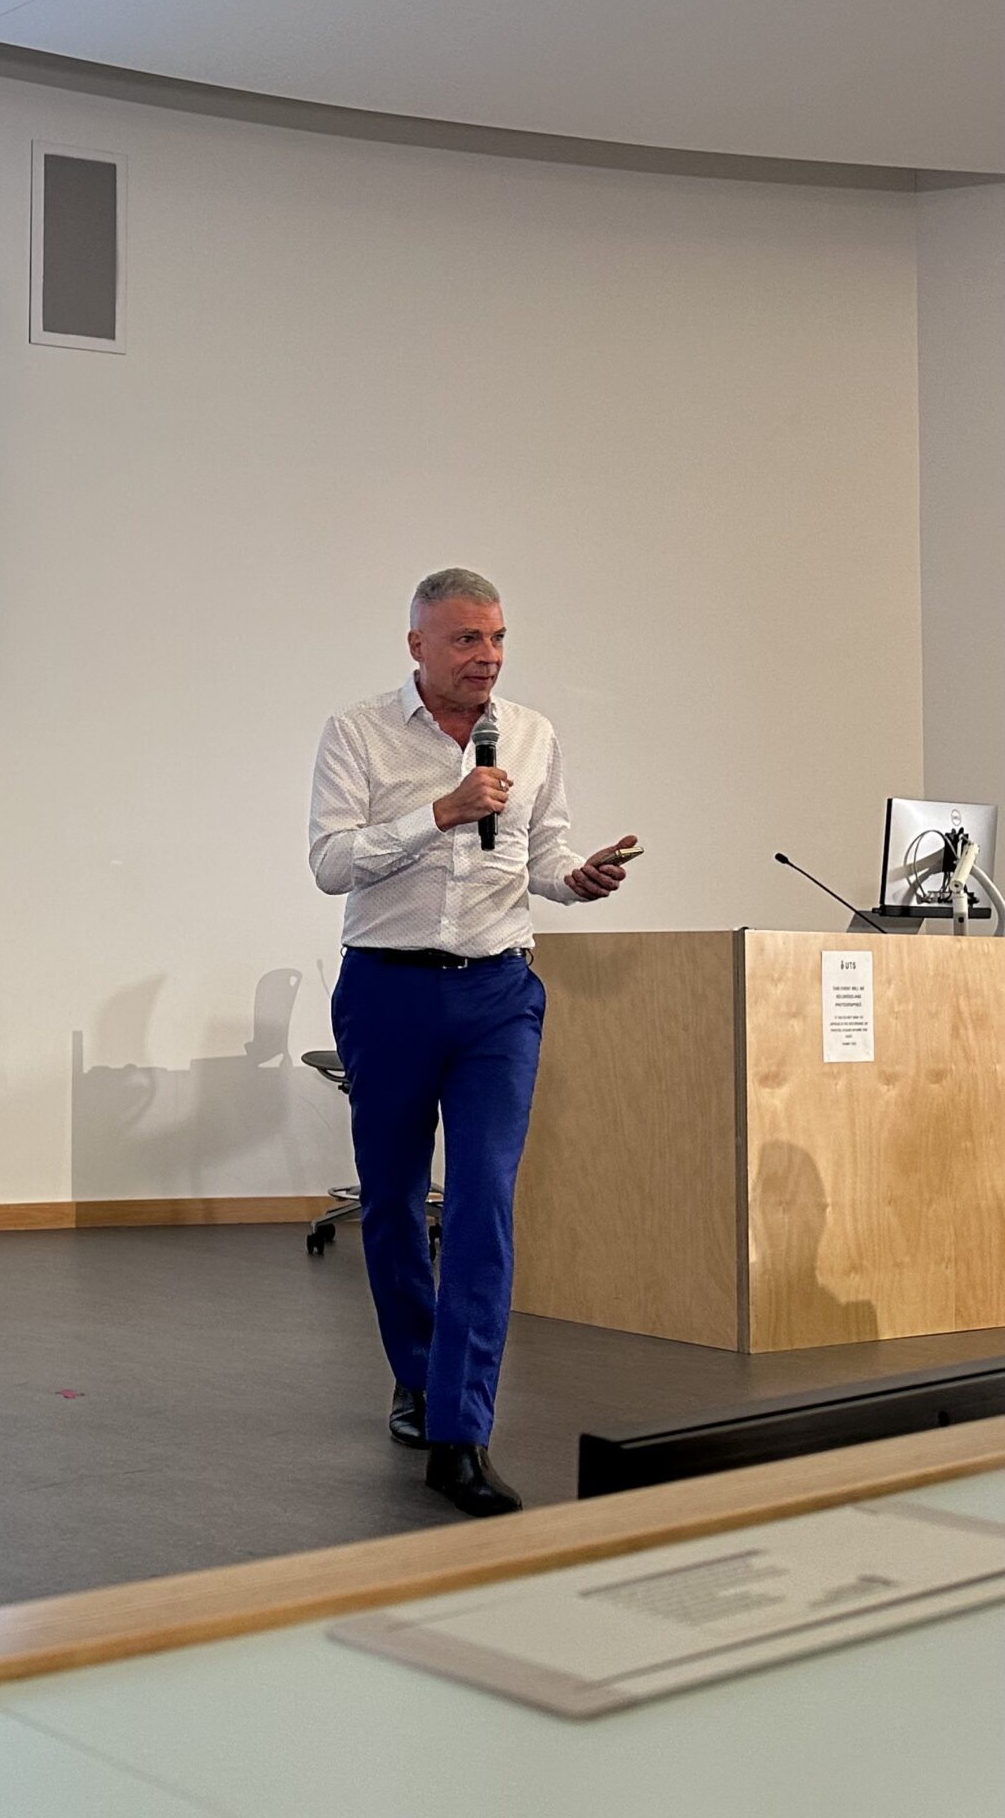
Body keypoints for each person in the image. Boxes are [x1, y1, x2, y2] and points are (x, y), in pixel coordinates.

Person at [307, 568, 633, 1515]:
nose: (486, 658)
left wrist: (578, 879)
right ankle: (416, 1376)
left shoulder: (531, 734)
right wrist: (438, 812)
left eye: (496, 639)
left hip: (498, 992)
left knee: (484, 1202)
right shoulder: (357, 733)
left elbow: (543, 853)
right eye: (464, 640)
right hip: (388, 990)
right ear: (417, 646)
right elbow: (330, 862)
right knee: (394, 1203)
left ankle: (461, 1432)